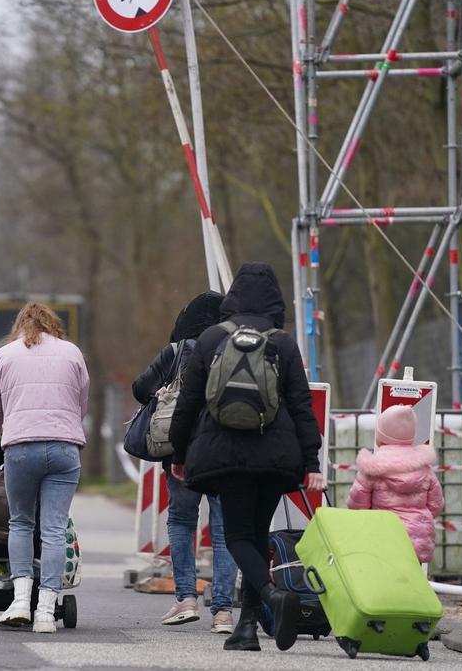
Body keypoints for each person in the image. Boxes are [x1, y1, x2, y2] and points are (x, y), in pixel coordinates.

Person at [168, 262, 325, 653]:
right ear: (274, 298)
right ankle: (247, 628)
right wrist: (312, 462)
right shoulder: (284, 343)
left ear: (234, 294)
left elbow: (187, 403)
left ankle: (272, 597)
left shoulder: (210, 339)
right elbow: (302, 406)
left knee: (237, 536)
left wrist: (179, 451)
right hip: (276, 457)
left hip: (226, 453)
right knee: (256, 534)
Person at [0, 302, 88, 634]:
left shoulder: (3, 356)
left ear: (20, 326)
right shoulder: (72, 354)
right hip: (64, 448)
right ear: (53, 325)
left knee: (21, 523)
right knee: (54, 529)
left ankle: (20, 602)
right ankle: (45, 611)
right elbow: (80, 403)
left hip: (21, 449)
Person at [132, 291, 238, 633]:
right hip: (225, 451)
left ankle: (186, 600)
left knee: (181, 521)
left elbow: (140, 387)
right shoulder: (236, 348)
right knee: (224, 531)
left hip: (182, 452)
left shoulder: (177, 351)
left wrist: (162, 395)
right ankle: (223, 612)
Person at [346, 404, 443, 564]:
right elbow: (436, 505)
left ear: (381, 434)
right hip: (417, 541)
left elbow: (357, 506)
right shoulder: (425, 469)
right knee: (411, 581)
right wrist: (417, 520)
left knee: (383, 581)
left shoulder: (372, 468)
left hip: (382, 537)